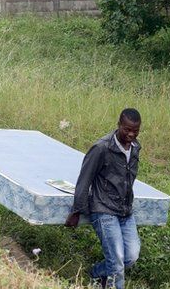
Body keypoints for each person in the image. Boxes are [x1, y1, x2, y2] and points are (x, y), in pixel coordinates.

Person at [65, 108, 142, 289]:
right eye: (127, 129)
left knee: (131, 256)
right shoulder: (102, 148)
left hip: (125, 211)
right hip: (104, 209)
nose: (131, 134)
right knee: (117, 262)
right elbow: (84, 180)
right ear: (118, 125)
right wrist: (77, 210)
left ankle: (97, 273)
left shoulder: (136, 147)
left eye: (135, 131)